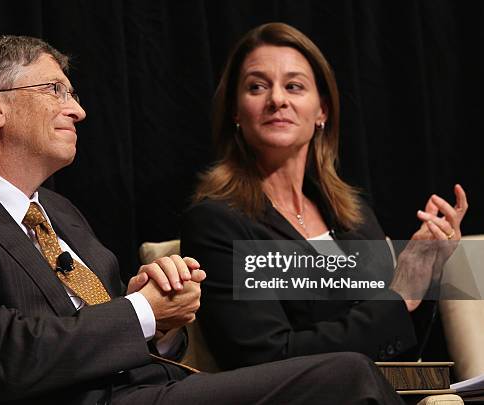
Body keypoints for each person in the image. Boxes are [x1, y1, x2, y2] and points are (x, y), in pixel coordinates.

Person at [0, 35, 403, 404]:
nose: (78, 109)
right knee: (347, 377)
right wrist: (143, 312)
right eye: (55, 90)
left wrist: (161, 321)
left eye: (73, 93)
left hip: (147, 388)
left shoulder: (58, 212)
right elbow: (2, 359)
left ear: (324, 111)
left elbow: (116, 323)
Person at [180, 22, 468, 370]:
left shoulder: (354, 215)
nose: (277, 99)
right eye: (257, 86)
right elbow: (270, 359)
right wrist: (397, 297)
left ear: (322, 111)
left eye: (294, 86)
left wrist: (425, 271)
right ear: (236, 112)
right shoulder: (216, 222)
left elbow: (399, 350)